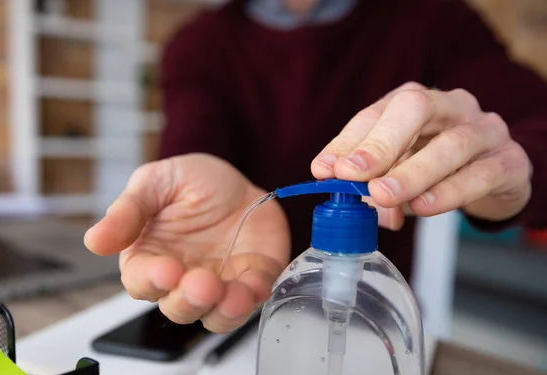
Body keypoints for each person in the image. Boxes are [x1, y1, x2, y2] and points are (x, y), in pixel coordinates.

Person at [84, 0, 547, 334]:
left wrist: (514, 168)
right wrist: (189, 165)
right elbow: (195, 131)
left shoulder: (436, 21)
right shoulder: (200, 44)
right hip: (242, 318)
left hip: (373, 321)